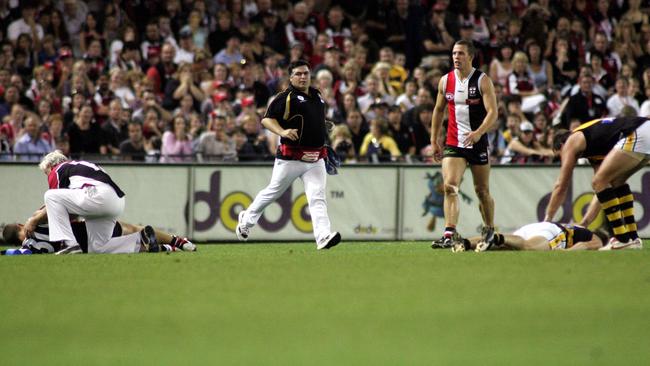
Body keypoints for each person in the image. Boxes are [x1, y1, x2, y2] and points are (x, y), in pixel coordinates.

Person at [236, 60, 341, 250]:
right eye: (298, 74)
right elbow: (266, 120)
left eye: (306, 73)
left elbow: (312, 118)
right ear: (290, 77)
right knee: (272, 192)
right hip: (291, 158)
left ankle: (323, 236)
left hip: (316, 157)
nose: (303, 77)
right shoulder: (285, 97)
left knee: (317, 197)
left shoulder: (316, 94)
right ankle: (246, 219)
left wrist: (323, 125)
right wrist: (282, 133)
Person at [430, 40, 498, 250]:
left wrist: (478, 133)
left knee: (482, 191)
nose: (456, 57)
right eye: (453, 53)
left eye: (460, 53)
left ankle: (489, 229)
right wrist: (434, 139)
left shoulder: (482, 81)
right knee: (450, 186)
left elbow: (493, 112)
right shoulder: (445, 81)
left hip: (477, 143)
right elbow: (438, 110)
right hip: (454, 143)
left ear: (471, 56)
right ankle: (449, 233)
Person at [545, 116, 650, 250]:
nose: (563, 158)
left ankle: (622, 239)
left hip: (637, 132)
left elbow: (561, 185)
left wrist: (547, 220)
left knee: (599, 180)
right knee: (616, 181)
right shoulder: (593, 149)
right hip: (644, 129)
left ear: (561, 146)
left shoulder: (571, 141)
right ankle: (633, 238)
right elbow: (602, 190)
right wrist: (585, 223)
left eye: (559, 155)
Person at [24, 150, 154, 254]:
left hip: (97, 196)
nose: (48, 177)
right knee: (98, 247)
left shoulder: (57, 169)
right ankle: (141, 241)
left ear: (49, 166)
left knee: (50, 195)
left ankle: (69, 244)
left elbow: (54, 204)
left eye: (46, 173)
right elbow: (68, 210)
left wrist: (33, 220)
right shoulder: (80, 166)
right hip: (116, 200)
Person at [2, 218, 196, 254]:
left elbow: (17, 253)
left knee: (132, 245)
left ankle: (167, 247)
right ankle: (178, 241)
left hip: (86, 248)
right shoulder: (35, 223)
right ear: (21, 225)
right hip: (85, 230)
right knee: (133, 229)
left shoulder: (27, 249)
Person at [451, 222, 608, 252]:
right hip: (552, 231)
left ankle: (465, 243)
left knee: (508, 246)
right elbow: (586, 245)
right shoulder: (595, 237)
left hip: (536, 226)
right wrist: (567, 252)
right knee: (529, 246)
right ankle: (498, 237)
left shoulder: (579, 227)